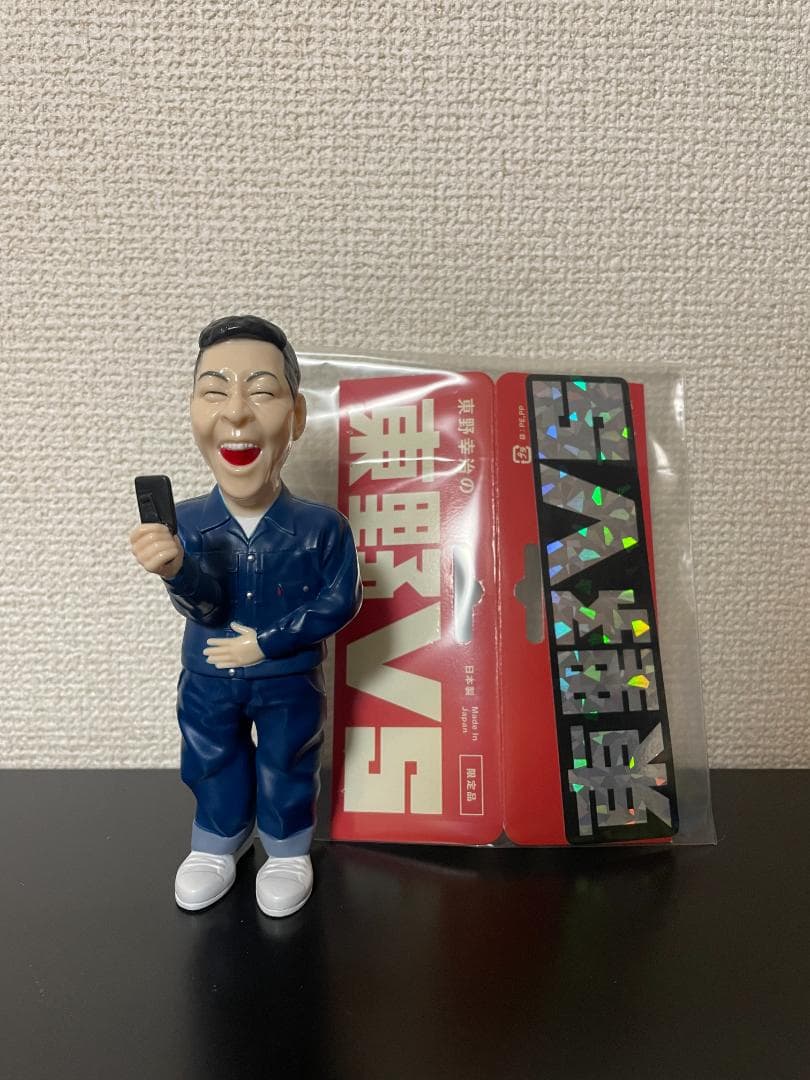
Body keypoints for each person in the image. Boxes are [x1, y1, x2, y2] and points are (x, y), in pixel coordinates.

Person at [130, 315, 361, 916]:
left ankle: (285, 848)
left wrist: (267, 643)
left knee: (288, 758)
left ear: (297, 416)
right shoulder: (185, 523)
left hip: (288, 680)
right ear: (193, 411)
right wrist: (176, 569)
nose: (236, 412)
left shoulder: (322, 528)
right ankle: (217, 840)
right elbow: (204, 604)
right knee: (211, 757)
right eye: (214, 391)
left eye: (262, 391)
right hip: (209, 678)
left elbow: (340, 601)